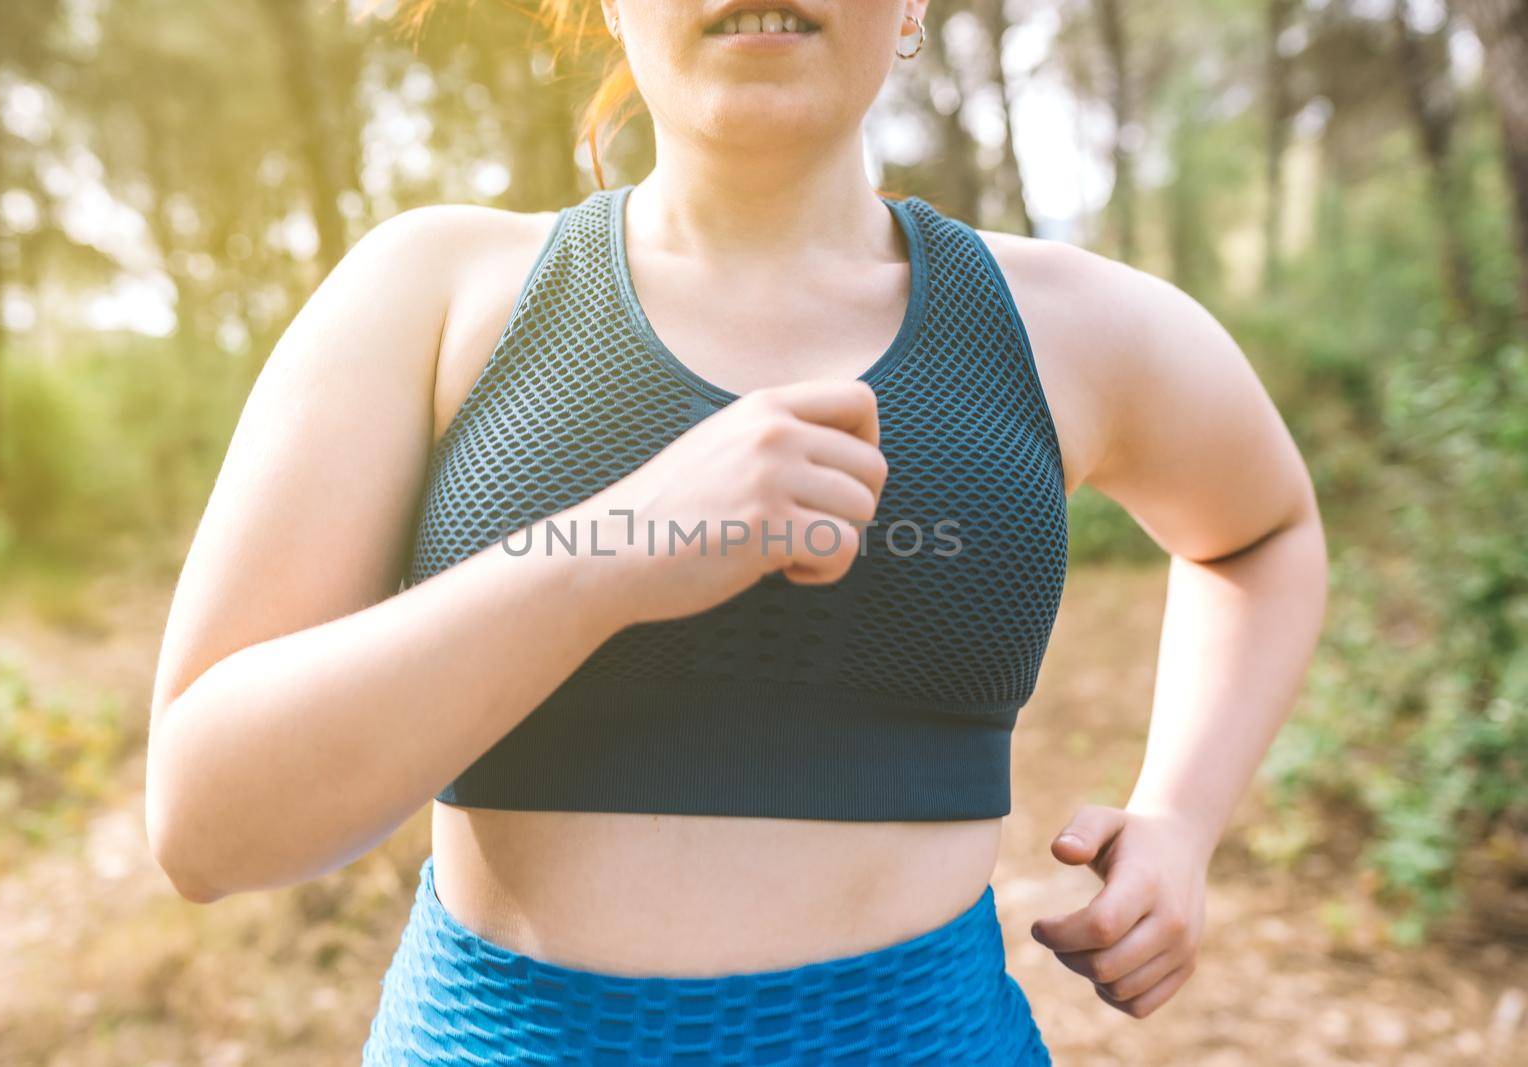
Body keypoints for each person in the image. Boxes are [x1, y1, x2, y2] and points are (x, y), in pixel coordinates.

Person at [144, 1, 1329, 1062]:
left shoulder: (1070, 327)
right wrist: (611, 551)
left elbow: (1260, 530)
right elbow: (205, 825)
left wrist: (1180, 815)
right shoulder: (432, 292)